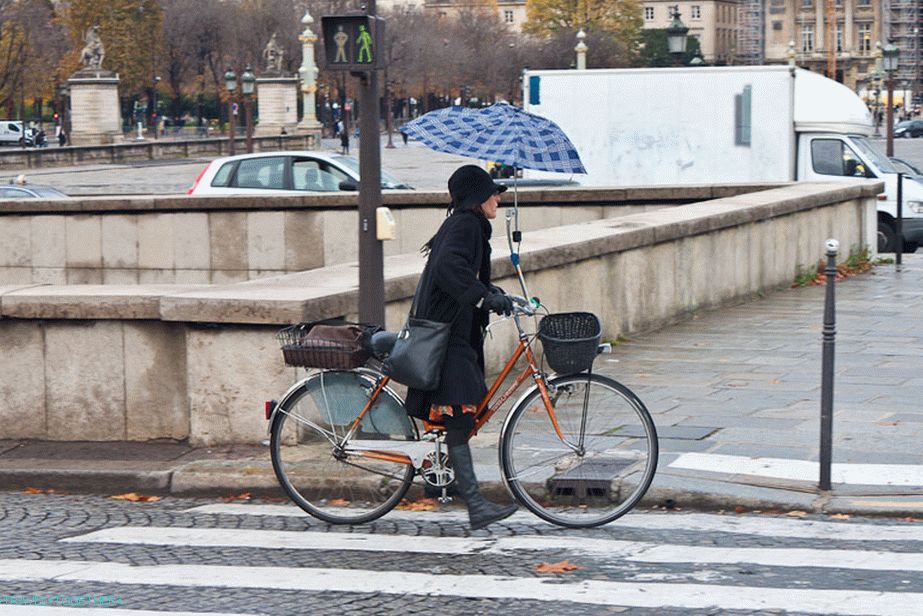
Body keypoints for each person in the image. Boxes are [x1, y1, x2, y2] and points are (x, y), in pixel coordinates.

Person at [404, 164, 518, 530]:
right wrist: (482, 299)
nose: (497, 199)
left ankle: (447, 479)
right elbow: (449, 269)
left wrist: (493, 294)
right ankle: (474, 504)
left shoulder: (467, 225)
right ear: (477, 197)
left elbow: (464, 274)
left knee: (460, 415)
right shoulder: (465, 225)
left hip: (452, 332)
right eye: (492, 193)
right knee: (460, 416)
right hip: (447, 336)